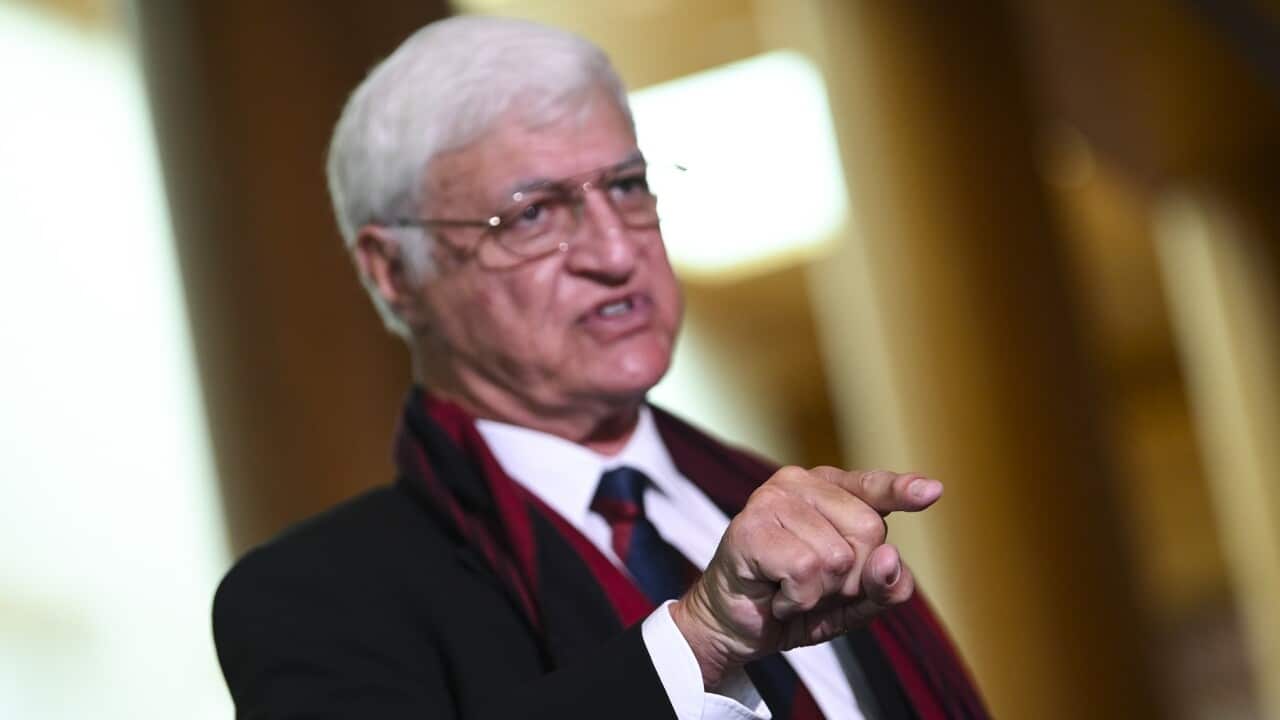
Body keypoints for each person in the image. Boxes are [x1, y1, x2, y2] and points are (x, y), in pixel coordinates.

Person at [212, 15, 987, 720]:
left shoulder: (775, 506)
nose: (616, 253)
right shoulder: (318, 598)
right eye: (533, 215)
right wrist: (697, 641)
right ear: (393, 270)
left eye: (625, 186)